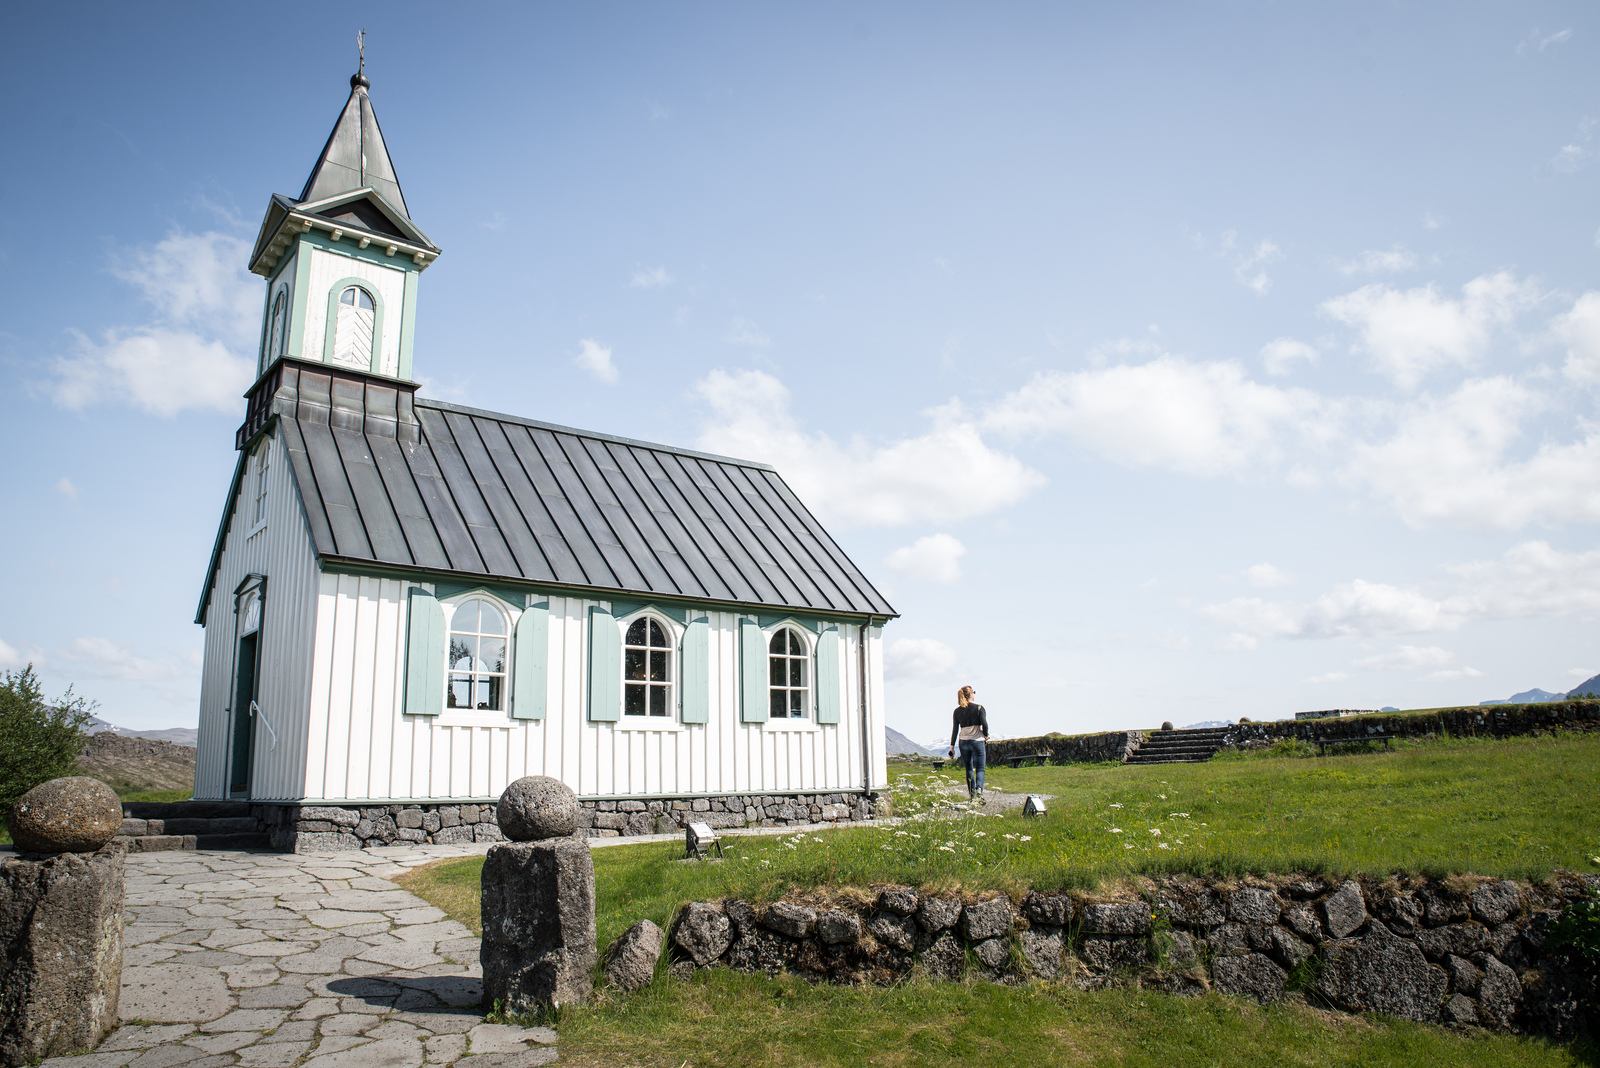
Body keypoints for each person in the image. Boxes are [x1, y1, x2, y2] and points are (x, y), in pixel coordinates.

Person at [947, 685, 989, 800]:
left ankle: (972, 796)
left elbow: (955, 730)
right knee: (980, 768)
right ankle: (979, 789)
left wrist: (951, 747)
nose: (975, 694)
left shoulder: (956, 711)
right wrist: (985, 735)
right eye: (974, 692)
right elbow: (985, 724)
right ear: (970, 694)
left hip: (963, 743)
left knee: (969, 769)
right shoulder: (979, 708)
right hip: (977, 742)